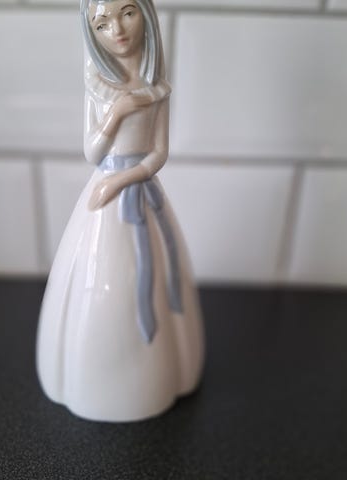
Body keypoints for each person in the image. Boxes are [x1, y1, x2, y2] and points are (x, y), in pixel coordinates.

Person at [36, 0, 204, 422]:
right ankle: (99, 381)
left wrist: (121, 181)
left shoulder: (157, 89)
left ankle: (152, 380)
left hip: (136, 191)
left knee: (153, 277)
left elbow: (159, 153)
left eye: (127, 13)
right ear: (91, 33)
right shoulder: (97, 86)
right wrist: (115, 113)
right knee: (99, 284)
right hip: (104, 194)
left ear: (146, 15)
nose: (118, 31)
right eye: (102, 23)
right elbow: (92, 151)